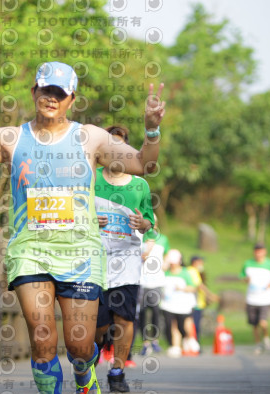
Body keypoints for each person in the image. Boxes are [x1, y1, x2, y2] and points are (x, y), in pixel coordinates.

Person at [0, 60, 166, 394]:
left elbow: (144, 163)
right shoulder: (12, 138)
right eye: (46, 90)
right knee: (42, 340)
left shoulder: (90, 138)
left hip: (81, 253)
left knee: (79, 346)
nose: (51, 97)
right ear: (34, 92)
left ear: (72, 99)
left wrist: (152, 130)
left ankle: (84, 372)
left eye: (59, 92)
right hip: (31, 251)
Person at [93, 125, 156, 392]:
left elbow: (150, 223)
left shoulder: (140, 185)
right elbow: (72, 213)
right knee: (98, 325)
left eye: (119, 147)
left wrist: (143, 224)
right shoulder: (90, 177)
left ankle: (117, 372)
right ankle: (88, 363)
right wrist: (89, 219)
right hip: (93, 261)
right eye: (109, 146)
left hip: (127, 261)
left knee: (124, 319)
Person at [240, 243, 270, 354]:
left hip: (265, 298)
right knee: (254, 325)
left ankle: (266, 337)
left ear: (264, 252)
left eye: (260, 251)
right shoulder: (248, 263)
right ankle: (258, 344)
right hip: (252, 298)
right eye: (257, 251)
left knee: (263, 322)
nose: (258, 254)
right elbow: (242, 277)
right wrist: (246, 280)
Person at [138, 230, 169, 356]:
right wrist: (147, 249)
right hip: (142, 282)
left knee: (156, 311)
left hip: (157, 282)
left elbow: (167, 255)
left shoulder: (162, 242)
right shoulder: (139, 240)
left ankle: (155, 340)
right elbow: (142, 256)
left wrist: (166, 263)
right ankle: (145, 343)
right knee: (143, 313)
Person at [160, 249, 196, 358]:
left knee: (183, 325)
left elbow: (193, 287)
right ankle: (176, 346)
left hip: (183, 305)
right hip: (169, 305)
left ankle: (189, 340)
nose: (172, 265)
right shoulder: (165, 272)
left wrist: (182, 288)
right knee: (173, 325)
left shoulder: (185, 273)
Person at [186, 256, 218, 342]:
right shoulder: (192, 271)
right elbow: (200, 286)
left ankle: (194, 343)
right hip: (194, 303)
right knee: (194, 325)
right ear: (195, 262)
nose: (202, 264)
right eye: (200, 262)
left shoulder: (194, 271)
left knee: (195, 324)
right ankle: (194, 343)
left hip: (198, 302)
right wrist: (210, 295)